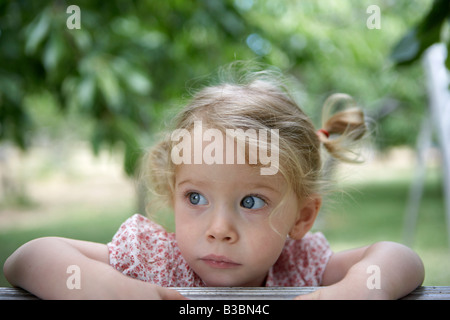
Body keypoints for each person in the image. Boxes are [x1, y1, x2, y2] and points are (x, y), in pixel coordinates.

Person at [3, 64, 424, 299]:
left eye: (251, 202)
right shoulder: (153, 262)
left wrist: (351, 294)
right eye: (196, 197)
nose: (218, 230)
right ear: (174, 193)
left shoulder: (299, 266)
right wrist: (112, 290)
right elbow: (27, 257)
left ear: (303, 217)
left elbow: (401, 258)